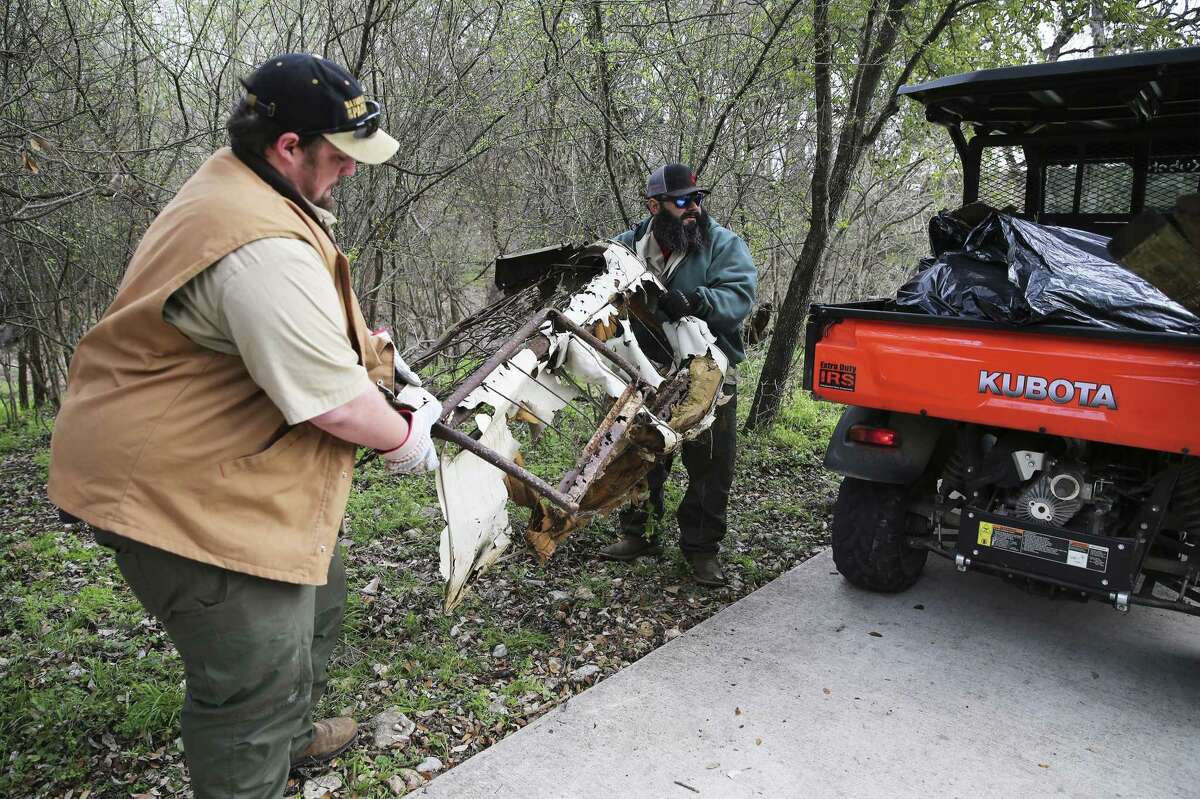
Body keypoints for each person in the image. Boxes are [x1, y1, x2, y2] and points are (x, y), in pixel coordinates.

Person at [47, 53, 441, 798]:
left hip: (220, 453)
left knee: (319, 581)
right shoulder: (256, 243)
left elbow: (288, 330)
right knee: (253, 668)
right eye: (339, 155)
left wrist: (369, 354)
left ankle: (289, 738)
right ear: (288, 145)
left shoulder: (245, 183)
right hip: (173, 481)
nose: (350, 172)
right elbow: (332, 403)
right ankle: (258, 747)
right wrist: (405, 433)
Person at [601, 163, 757, 586]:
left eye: (698, 199)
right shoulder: (627, 246)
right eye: (683, 201)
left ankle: (702, 549)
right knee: (637, 454)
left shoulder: (723, 244)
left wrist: (696, 302)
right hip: (643, 370)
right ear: (654, 206)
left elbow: (740, 295)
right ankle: (640, 533)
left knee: (710, 463)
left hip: (708, 370)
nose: (694, 208)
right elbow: (600, 284)